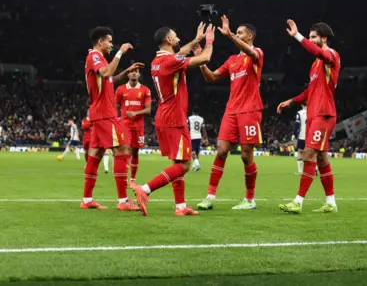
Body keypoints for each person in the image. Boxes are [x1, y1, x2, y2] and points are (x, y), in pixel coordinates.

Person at [134, 22, 214, 217]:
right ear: (168, 40)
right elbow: (205, 58)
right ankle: (145, 189)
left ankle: (180, 206)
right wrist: (209, 41)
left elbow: (180, 54)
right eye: (175, 35)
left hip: (164, 115)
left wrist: (195, 40)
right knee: (185, 165)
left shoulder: (157, 61)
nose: (179, 38)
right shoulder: (170, 62)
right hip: (174, 118)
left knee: (178, 162)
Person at [196, 16, 264, 211]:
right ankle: (209, 197)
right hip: (231, 111)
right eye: (236, 33)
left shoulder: (257, 53)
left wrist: (229, 35)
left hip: (250, 110)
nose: (237, 34)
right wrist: (201, 60)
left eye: (240, 32)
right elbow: (211, 77)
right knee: (221, 151)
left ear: (249, 36)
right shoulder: (232, 60)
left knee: (245, 155)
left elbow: (250, 51)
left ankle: (250, 199)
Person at [276, 20, 341, 214]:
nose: (311, 40)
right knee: (321, 159)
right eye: (309, 36)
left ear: (324, 38)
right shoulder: (315, 66)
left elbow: (319, 52)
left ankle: (298, 201)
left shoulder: (331, 55)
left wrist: (297, 35)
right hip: (314, 114)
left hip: (324, 114)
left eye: (314, 37)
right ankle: (331, 202)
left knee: (308, 154)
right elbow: (309, 91)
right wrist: (292, 101)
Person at [82, 26, 144, 211]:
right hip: (104, 114)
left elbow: (109, 79)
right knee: (123, 148)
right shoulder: (94, 56)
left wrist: (126, 72)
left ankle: (86, 200)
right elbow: (106, 73)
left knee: (96, 155)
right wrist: (120, 52)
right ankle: (123, 201)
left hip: (100, 113)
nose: (111, 44)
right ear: (100, 42)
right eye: (109, 41)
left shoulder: (99, 60)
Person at [115, 67, 152, 189]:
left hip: (138, 126)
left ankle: (132, 179)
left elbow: (148, 109)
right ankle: (124, 177)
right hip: (124, 125)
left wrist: (135, 114)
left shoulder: (145, 90)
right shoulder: (120, 89)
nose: (134, 73)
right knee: (125, 150)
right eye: (131, 71)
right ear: (128, 74)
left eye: (136, 71)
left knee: (135, 152)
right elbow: (116, 106)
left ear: (139, 74)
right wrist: (116, 120)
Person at [292, 103, 307, 175]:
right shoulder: (313, 111)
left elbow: (297, 124)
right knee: (312, 153)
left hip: (302, 135)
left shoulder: (300, 113)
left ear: (301, 105)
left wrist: (294, 134)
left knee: (300, 152)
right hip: (312, 136)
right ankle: (315, 170)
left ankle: (300, 171)